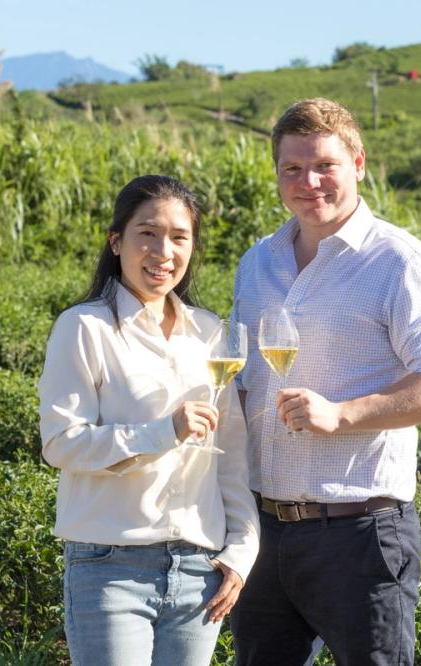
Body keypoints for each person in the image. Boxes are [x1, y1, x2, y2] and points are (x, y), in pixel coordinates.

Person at [230, 98, 421, 665]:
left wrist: (342, 415)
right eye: (292, 168)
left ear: (358, 164)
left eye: (325, 166)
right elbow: (245, 381)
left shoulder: (400, 261)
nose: (308, 182)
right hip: (263, 528)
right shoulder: (257, 262)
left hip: (359, 534)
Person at [38, 175, 259, 666]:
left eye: (179, 237)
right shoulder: (84, 327)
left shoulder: (209, 333)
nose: (163, 251)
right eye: (147, 234)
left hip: (199, 569)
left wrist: (242, 552)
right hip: (110, 567)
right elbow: (61, 442)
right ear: (116, 241)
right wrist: (164, 432)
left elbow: (231, 457)